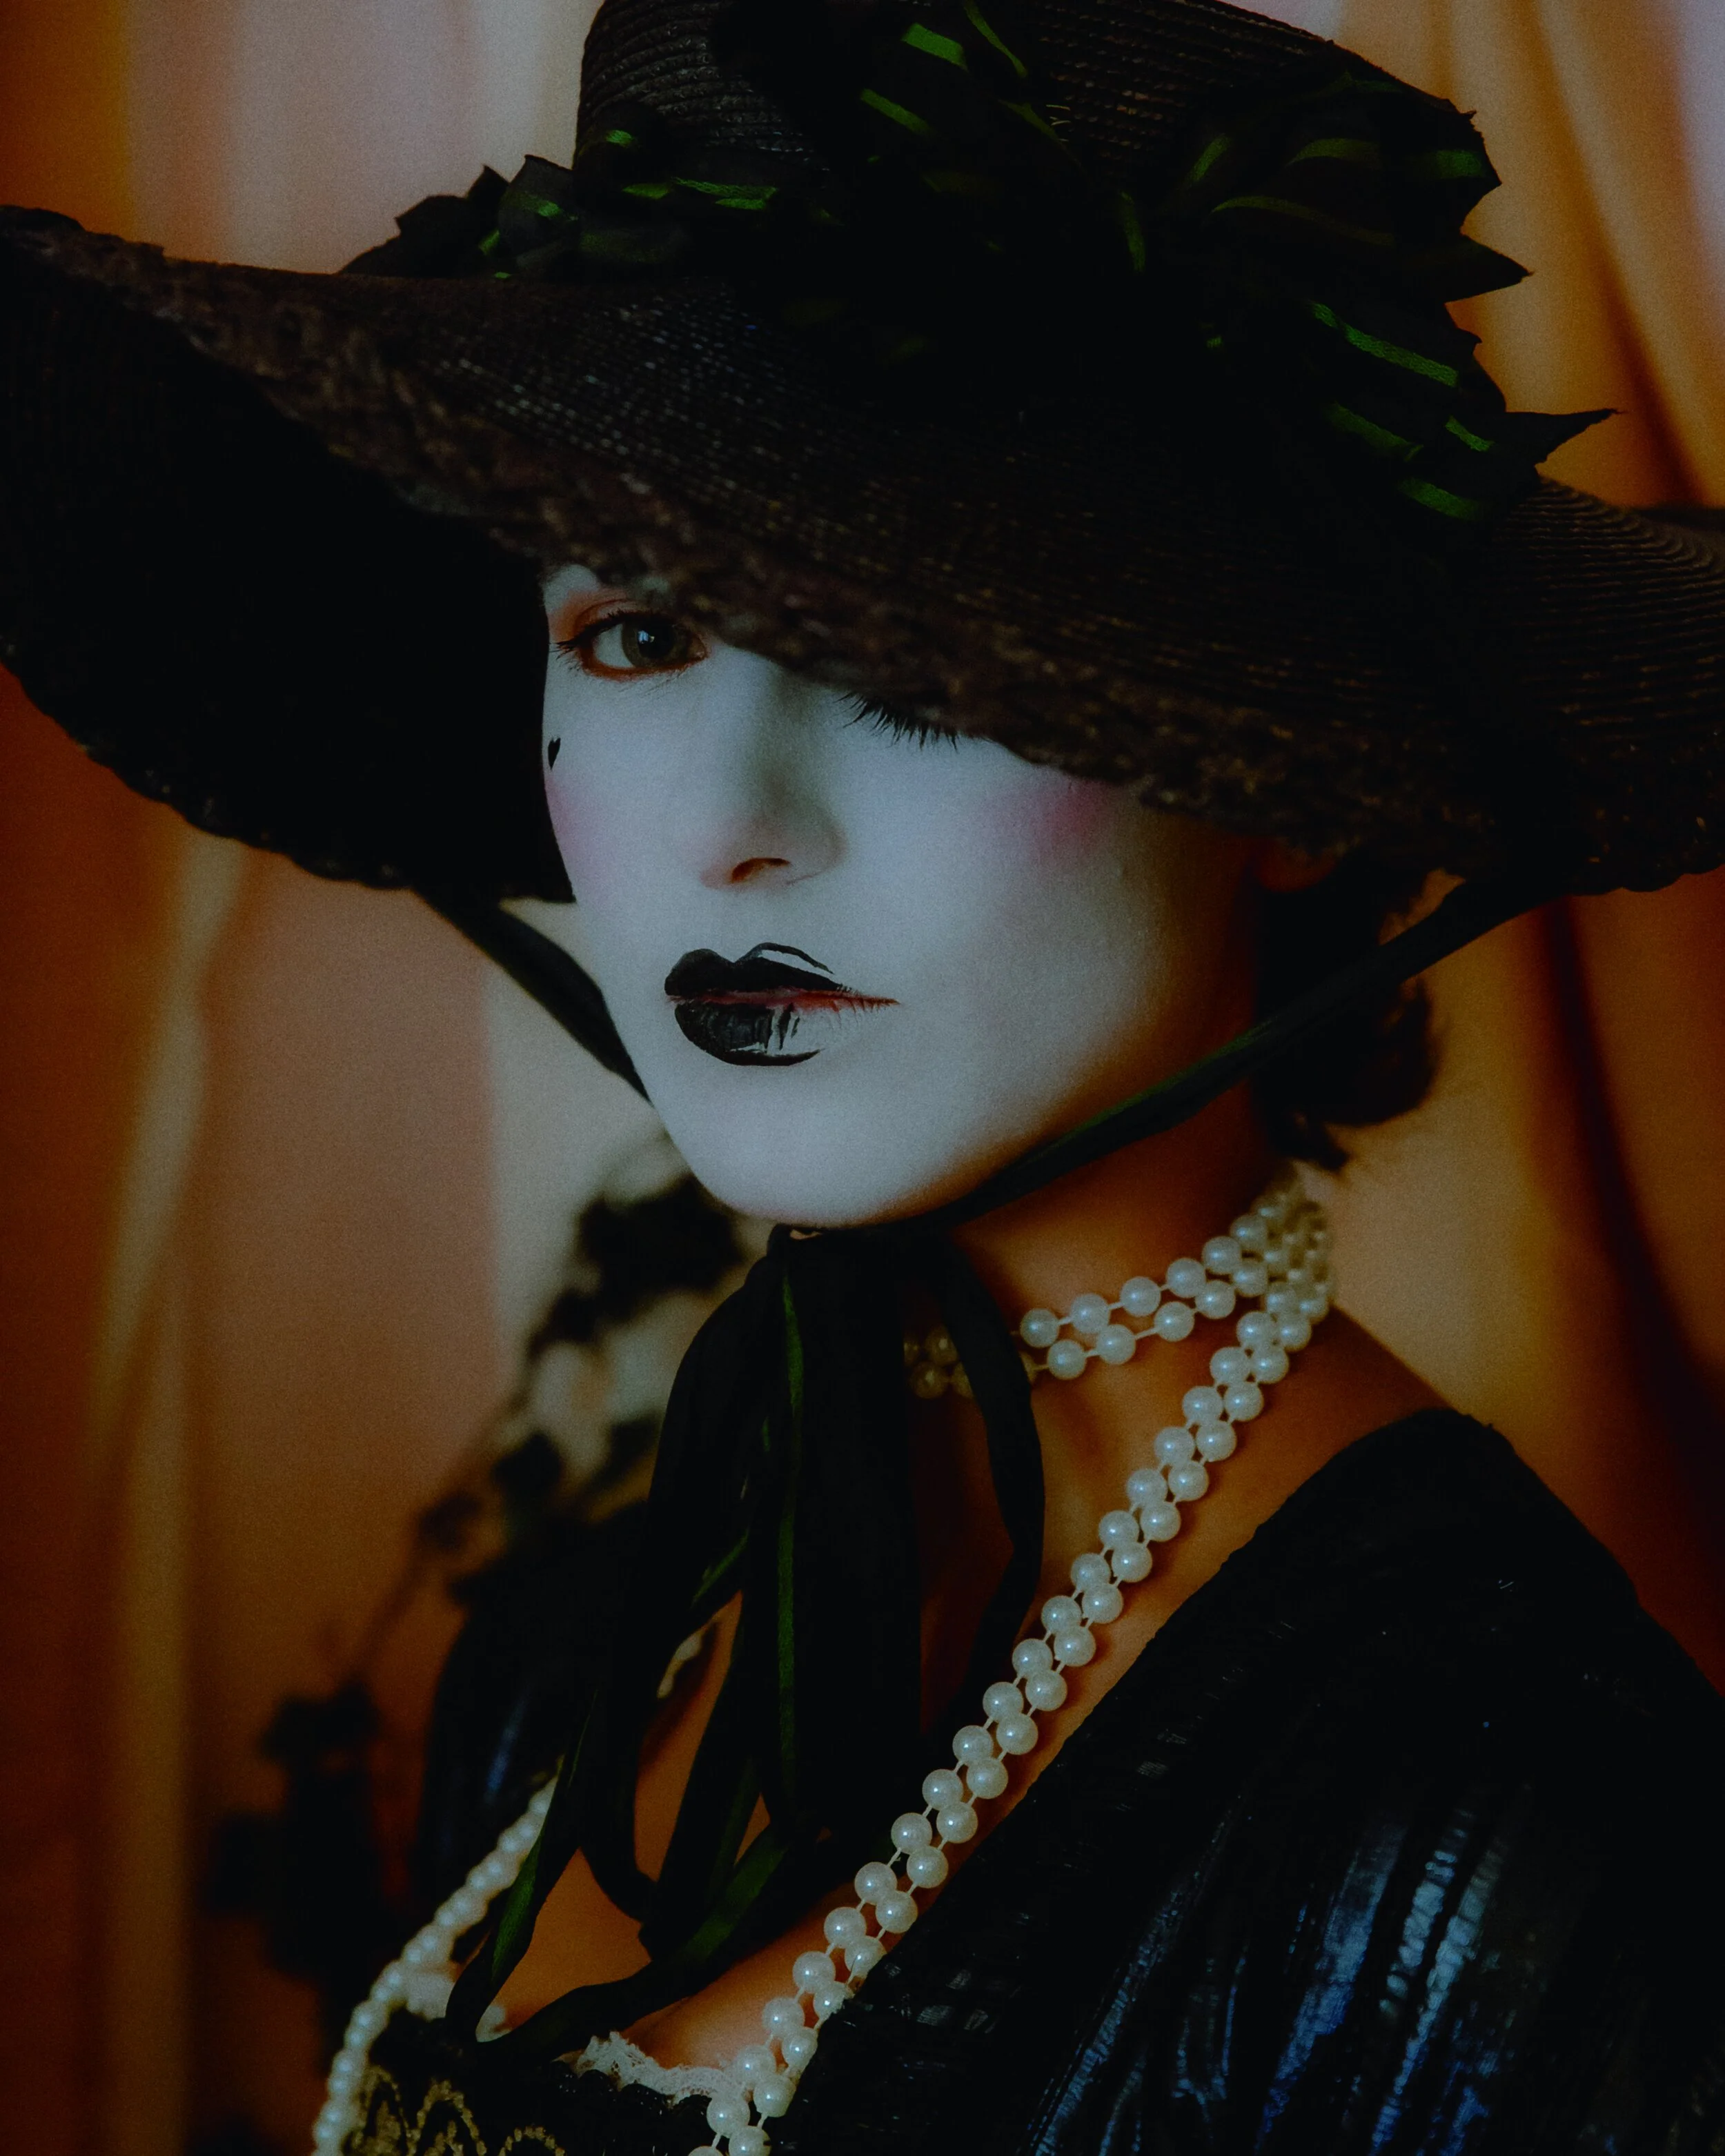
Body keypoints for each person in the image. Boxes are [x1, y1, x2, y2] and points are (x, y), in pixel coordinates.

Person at [3, 0, 1724, 2150]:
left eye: (918, 666)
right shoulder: (572, 1643)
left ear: (1297, 787)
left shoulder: (1513, 1834)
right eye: (632, 631)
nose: (731, 822)